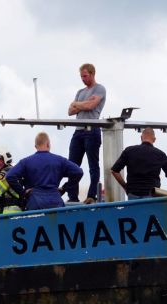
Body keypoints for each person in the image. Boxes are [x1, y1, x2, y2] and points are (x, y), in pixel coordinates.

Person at [6, 132, 83, 211]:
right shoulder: (60, 161)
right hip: (56, 202)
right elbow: (79, 172)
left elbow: (10, 176)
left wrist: (23, 193)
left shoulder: (26, 162)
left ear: (35, 146)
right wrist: (64, 188)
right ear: (48, 144)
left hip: (34, 203)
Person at [66, 63, 106, 204]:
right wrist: (82, 103)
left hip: (91, 130)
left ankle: (91, 195)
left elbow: (90, 106)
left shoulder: (100, 89)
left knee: (93, 165)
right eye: (81, 76)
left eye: (85, 76)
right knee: (72, 165)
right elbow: (70, 111)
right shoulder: (80, 92)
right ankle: (72, 196)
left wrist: (78, 104)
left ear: (92, 74)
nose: (83, 79)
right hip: (78, 131)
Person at [110, 127, 167, 198]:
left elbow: (114, 171)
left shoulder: (129, 151)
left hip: (133, 195)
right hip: (152, 196)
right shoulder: (161, 155)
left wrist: (125, 186)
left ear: (141, 138)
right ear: (154, 140)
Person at [0, 145, 22, 214]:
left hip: (9, 213)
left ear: (6, 159)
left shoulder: (6, 172)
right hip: (13, 212)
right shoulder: (12, 170)